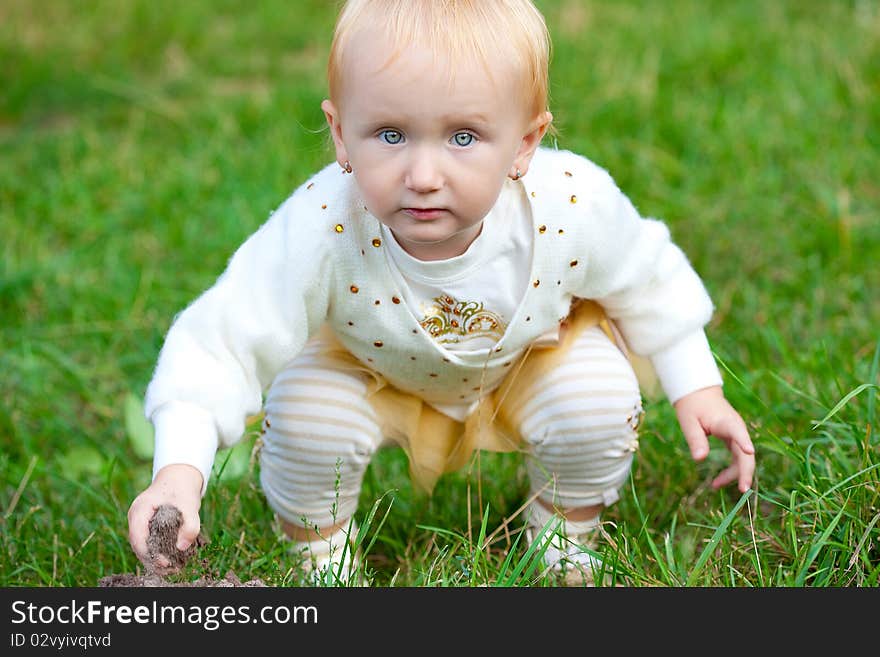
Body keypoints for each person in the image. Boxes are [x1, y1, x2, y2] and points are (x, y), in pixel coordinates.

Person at [128, 0, 755, 586]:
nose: (423, 177)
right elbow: (222, 339)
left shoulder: (568, 206)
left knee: (595, 396)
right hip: (370, 368)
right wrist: (178, 473)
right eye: (391, 135)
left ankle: (564, 530)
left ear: (525, 143)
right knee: (306, 414)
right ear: (342, 135)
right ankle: (318, 553)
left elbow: (646, 278)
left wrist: (696, 384)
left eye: (463, 137)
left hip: (523, 363)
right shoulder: (326, 227)